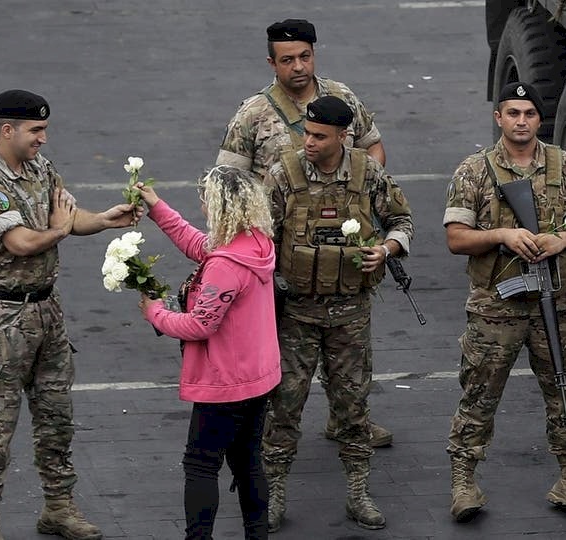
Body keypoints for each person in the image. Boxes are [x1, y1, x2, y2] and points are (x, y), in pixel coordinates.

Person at [0, 89, 143, 540]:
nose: (43, 138)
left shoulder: (40, 168)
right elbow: (20, 242)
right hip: (2, 318)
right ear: (7, 130)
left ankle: (58, 507)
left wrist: (105, 219)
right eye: (36, 130)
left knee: (56, 417)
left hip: (45, 311)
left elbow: (68, 217)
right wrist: (59, 229)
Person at [217, 18, 393, 448]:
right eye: (287, 60)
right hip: (284, 256)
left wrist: (361, 194)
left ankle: (348, 419)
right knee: (283, 352)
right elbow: (227, 182)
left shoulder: (341, 98)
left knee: (349, 348)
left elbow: (372, 146)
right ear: (271, 63)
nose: (298, 67)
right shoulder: (253, 115)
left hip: (343, 253)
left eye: (305, 57)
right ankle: (271, 430)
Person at [443, 82, 566, 523]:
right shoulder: (475, 170)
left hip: (555, 301)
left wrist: (561, 240)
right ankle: (464, 482)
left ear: (539, 119)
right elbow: (456, 238)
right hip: (496, 307)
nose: (521, 121)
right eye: (512, 113)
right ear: (498, 117)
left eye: (529, 113)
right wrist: (503, 236)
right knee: (480, 392)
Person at [261, 96, 414, 532]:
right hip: (296, 314)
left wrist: (387, 249)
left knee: (353, 406)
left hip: (350, 314)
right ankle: (272, 493)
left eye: (319, 136)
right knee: (284, 406)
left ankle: (358, 492)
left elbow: (402, 220)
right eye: (306, 134)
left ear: (342, 137)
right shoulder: (283, 176)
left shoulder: (368, 174)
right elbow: (260, 237)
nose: (308, 142)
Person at [135, 166, 281, 540]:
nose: (202, 204)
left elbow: (201, 324)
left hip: (225, 384)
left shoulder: (224, 265)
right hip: (259, 378)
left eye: (206, 198)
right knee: (247, 462)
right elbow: (198, 243)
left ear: (221, 205)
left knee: (200, 466)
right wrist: (157, 207)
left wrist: (155, 312)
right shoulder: (256, 243)